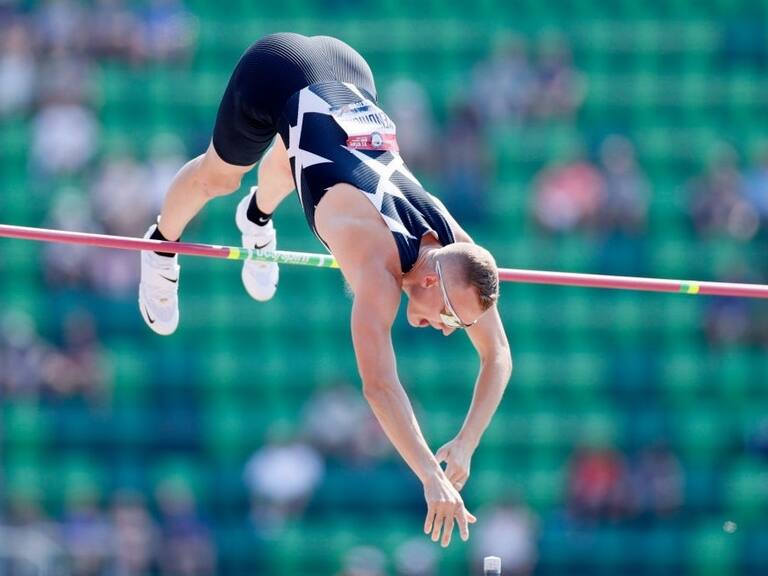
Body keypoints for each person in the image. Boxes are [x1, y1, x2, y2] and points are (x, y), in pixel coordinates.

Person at [138, 32, 512, 547]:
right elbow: (380, 387)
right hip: (278, 71)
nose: (449, 330)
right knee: (220, 176)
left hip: (348, 73)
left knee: (298, 152)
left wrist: (467, 444)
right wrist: (430, 473)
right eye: (452, 318)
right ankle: (160, 245)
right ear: (429, 280)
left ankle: (257, 215)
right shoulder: (378, 270)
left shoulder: (458, 251)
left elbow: (498, 356)